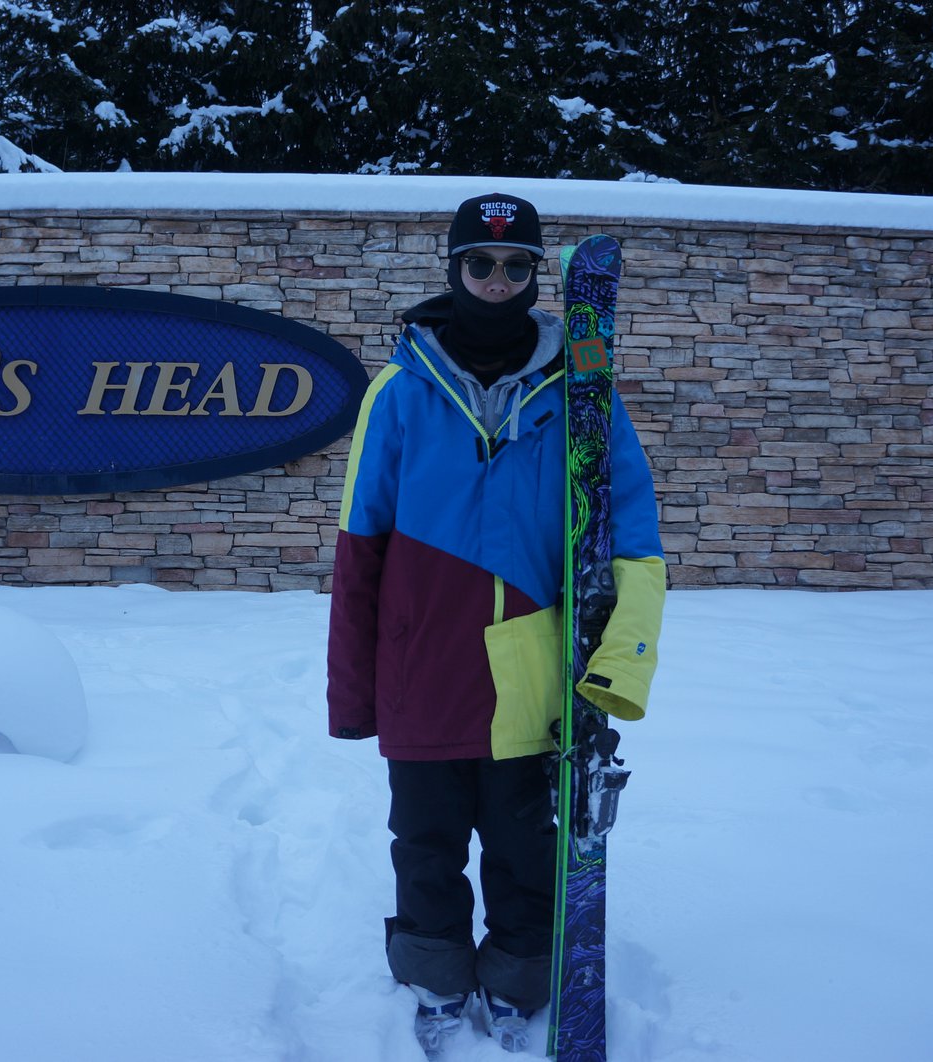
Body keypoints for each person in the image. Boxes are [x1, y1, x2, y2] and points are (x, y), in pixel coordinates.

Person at [326, 193, 666, 1056]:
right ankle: (436, 979)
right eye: (480, 264)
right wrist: (354, 694)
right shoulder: (398, 396)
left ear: (536, 276)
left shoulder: (584, 399)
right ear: (454, 271)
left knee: (525, 849)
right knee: (427, 844)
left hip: (533, 676)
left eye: (518, 267)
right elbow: (359, 553)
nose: (498, 280)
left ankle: (519, 980)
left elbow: (635, 543)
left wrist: (617, 670)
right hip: (422, 671)